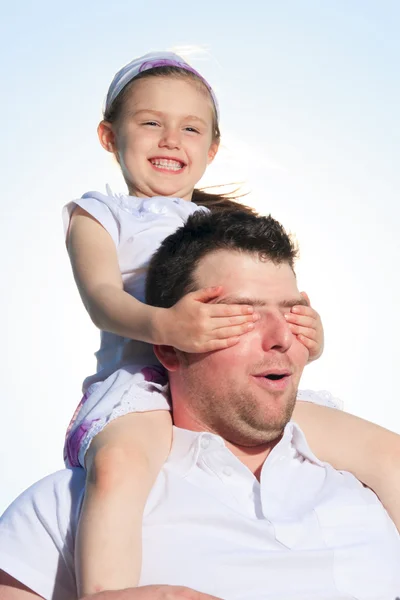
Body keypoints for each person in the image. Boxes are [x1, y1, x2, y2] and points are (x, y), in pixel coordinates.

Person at [1, 209, 400, 600]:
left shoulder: (374, 489)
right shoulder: (65, 511)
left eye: (293, 313)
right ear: (170, 348)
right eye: (242, 316)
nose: (281, 336)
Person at [60, 50, 330, 596]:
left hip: (231, 387)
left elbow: (272, 303)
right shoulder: (100, 214)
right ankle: (105, 591)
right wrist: (167, 325)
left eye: (190, 128)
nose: (169, 139)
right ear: (109, 137)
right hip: (143, 388)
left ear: (211, 149)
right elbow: (102, 299)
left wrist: (308, 334)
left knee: (384, 453)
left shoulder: (228, 226)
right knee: (118, 469)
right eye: (150, 122)